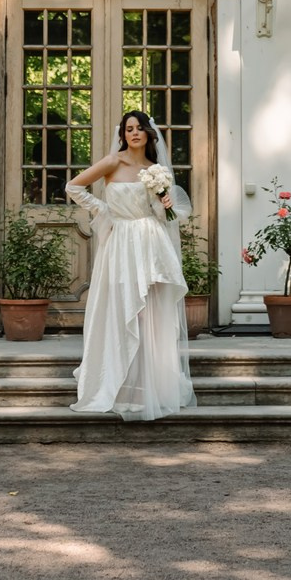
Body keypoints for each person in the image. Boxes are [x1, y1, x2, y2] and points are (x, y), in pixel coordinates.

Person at [65, 111, 195, 420]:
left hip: (151, 244)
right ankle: (118, 388)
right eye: (128, 129)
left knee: (150, 316)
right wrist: (105, 211)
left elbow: (164, 218)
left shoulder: (155, 170)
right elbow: (73, 187)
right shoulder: (114, 162)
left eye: (139, 128)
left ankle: (147, 391)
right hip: (121, 243)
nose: (134, 133)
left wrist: (165, 206)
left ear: (149, 134)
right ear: (123, 134)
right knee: (122, 310)